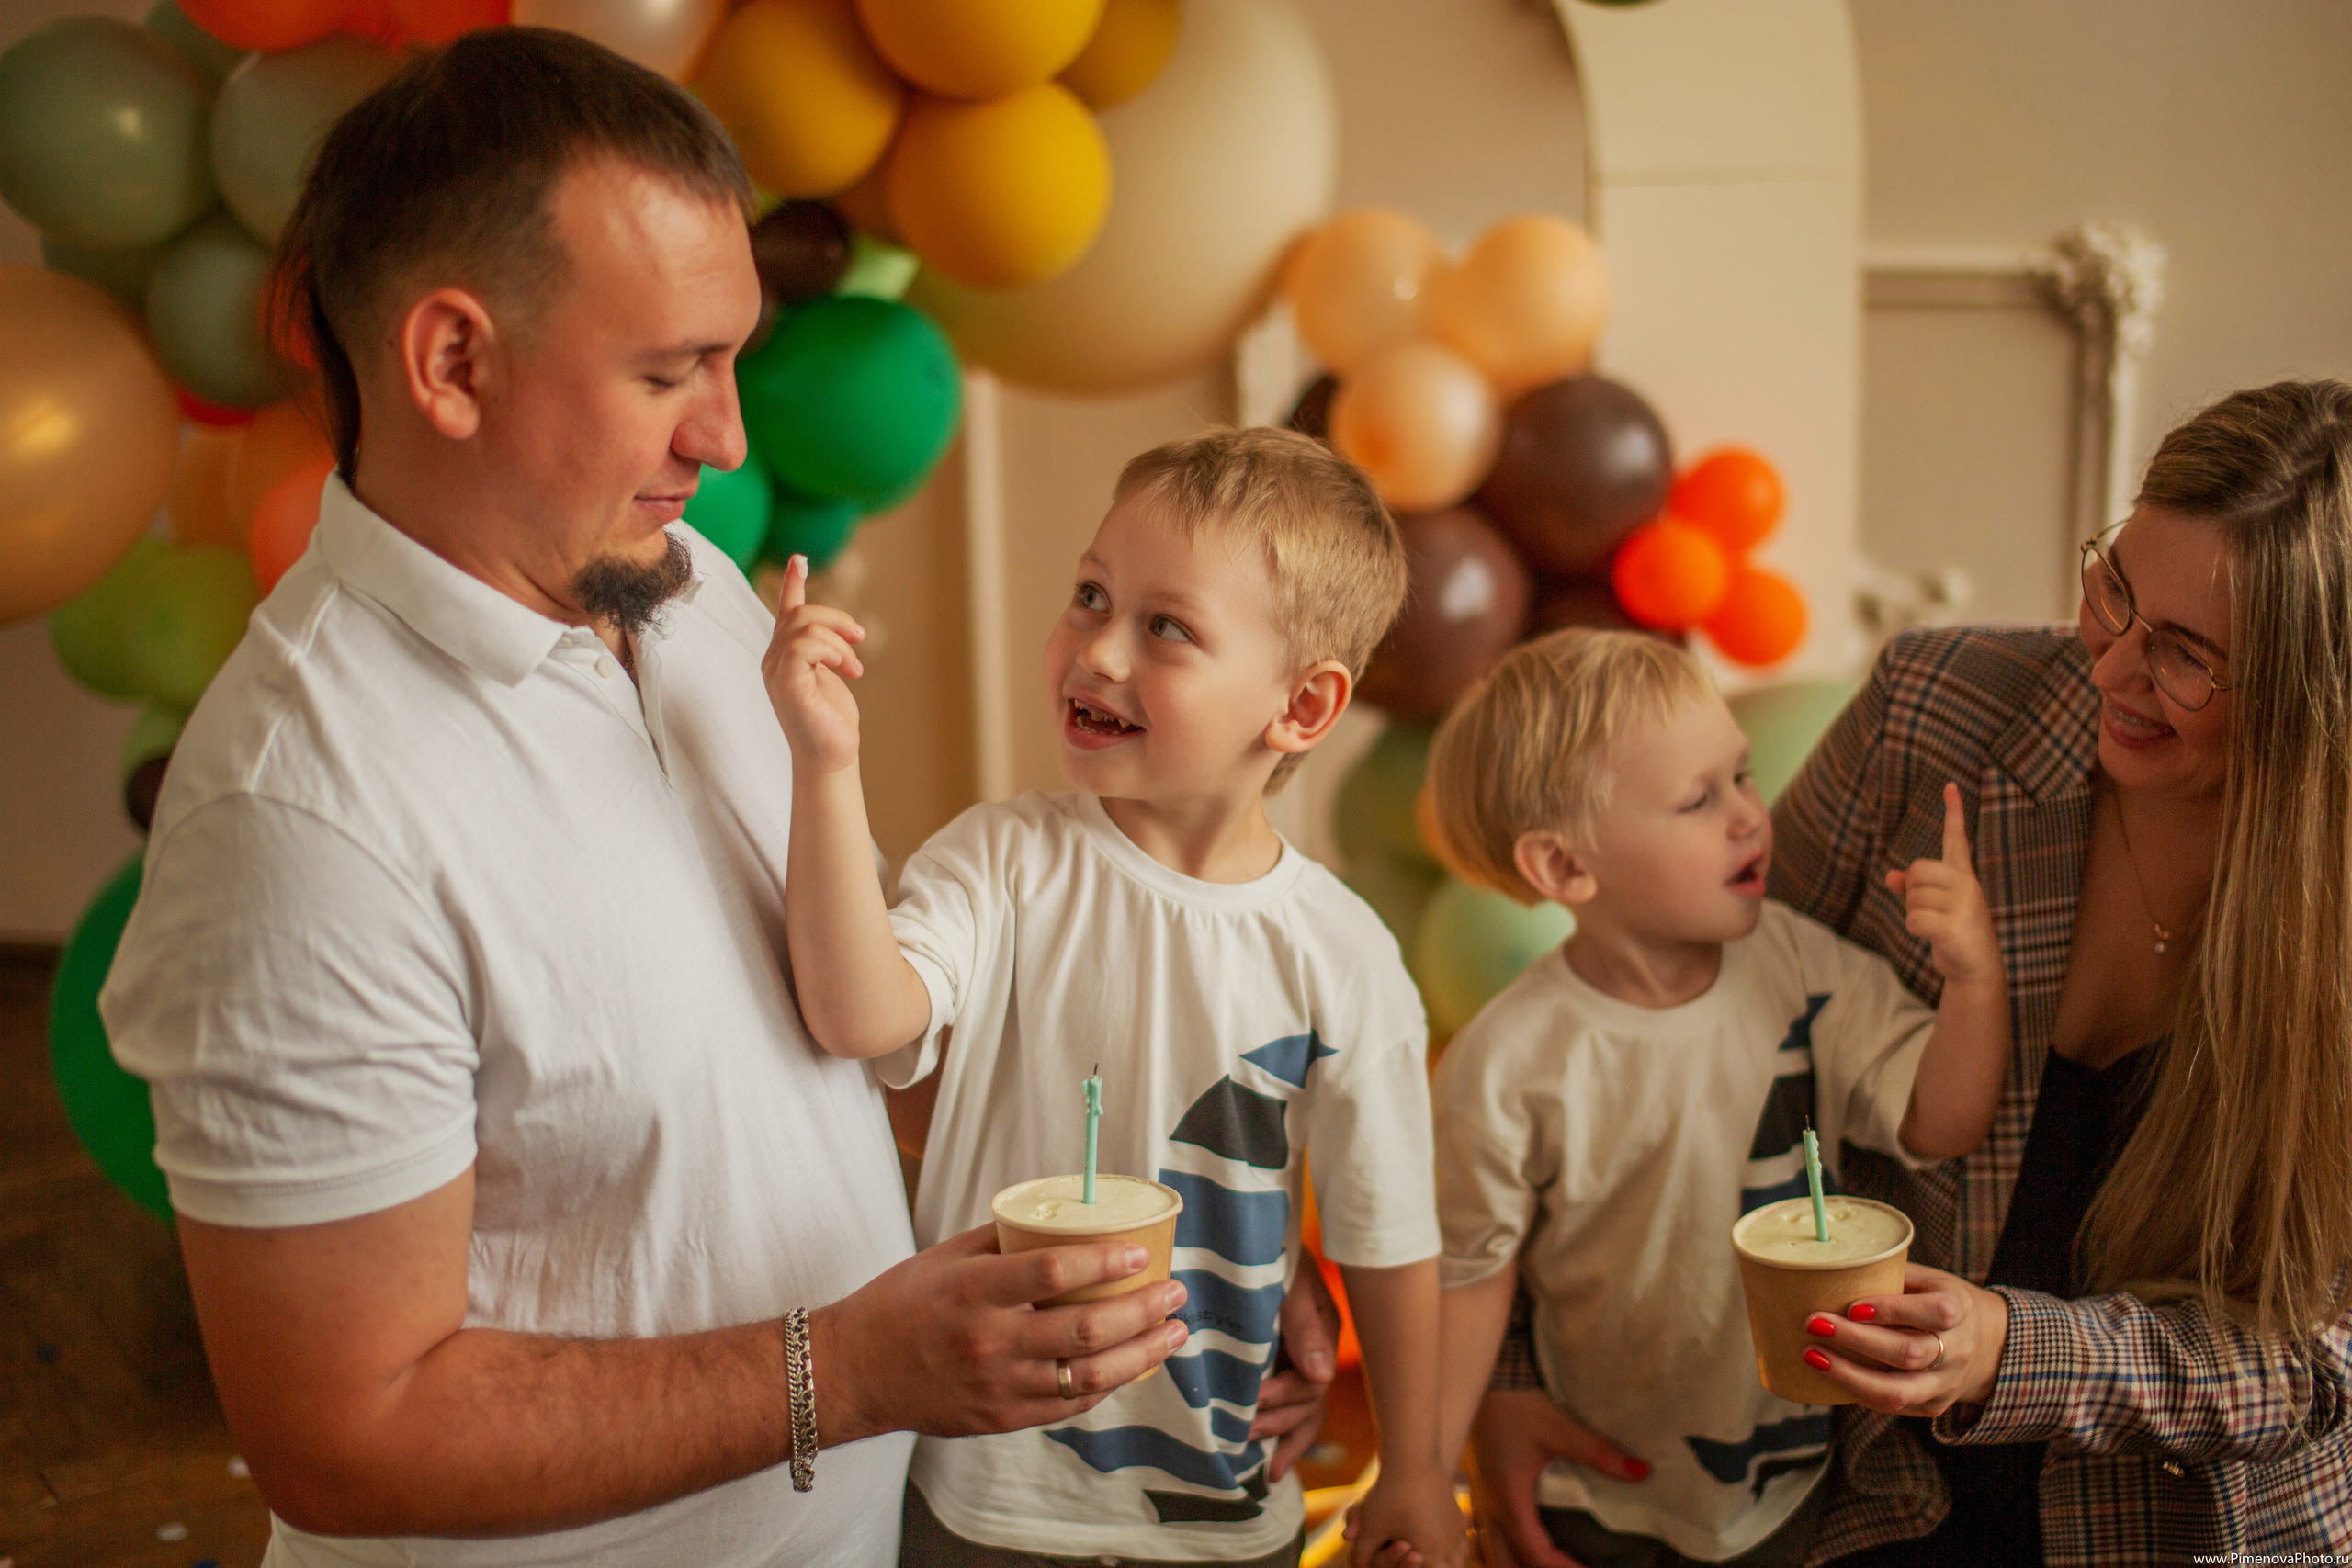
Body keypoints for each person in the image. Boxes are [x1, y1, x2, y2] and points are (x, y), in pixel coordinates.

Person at [96, 30, 1206, 1567]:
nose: (729, 436)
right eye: (669, 370)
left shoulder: (685, 586)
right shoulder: (299, 815)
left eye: (733, 358)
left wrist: (1145, 1285)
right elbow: (347, 1433)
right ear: (452, 362)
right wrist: (860, 1366)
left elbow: (802, 1036)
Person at [1467, 381, 2352, 1567]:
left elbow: (2322, 1359)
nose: (2110, 666)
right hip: (1850, 1493)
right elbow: (1678, 1034)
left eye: (2185, 656)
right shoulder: (1938, 712)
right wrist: (1513, 1370)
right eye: (2115, 590)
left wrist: (2010, 1347)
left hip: (2185, 1527)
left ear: (2314, 700)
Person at [763, 426, 1466, 1568]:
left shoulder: (1343, 954)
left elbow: (1388, 1234)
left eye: (1165, 627)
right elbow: (860, 1018)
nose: (1096, 650)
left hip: (1228, 1515)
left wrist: (1420, 1470)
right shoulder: (996, 863)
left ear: (1301, 708)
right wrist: (827, 767)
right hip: (978, 1493)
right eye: (1090, 596)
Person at [1416, 628, 2009, 1568]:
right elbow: (1470, 1282)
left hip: (1793, 1495)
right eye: (1698, 799)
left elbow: (1940, 1120)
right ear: (1564, 869)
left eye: (1740, 775)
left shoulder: (1799, 964)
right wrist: (1422, 1475)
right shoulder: (1503, 1064)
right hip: (1595, 1492)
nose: (1748, 815)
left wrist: (1975, 980)